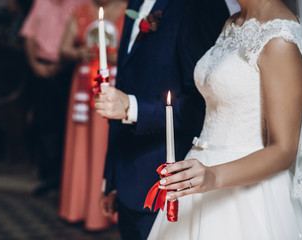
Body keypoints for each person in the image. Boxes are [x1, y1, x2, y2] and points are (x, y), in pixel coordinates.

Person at [147, 0, 302, 239]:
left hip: (250, 193)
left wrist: (213, 175)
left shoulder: (280, 38)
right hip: (198, 171)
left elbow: (284, 150)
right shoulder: (235, 21)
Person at [94, 0, 235, 239]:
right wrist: (111, 178)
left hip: (170, 181)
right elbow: (124, 83)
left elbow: (203, 104)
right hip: (128, 175)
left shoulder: (200, 6)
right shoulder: (136, 3)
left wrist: (133, 107)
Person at [58, 0, 127, 231]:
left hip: (116, 88)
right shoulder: (79, 10)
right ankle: (79, 206)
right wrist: (80, 52)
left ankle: (112, 209)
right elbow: (64, 49)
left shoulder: (130, 10)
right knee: (82, 146)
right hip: (83, 88)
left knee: (108, 144)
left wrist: (119, 57)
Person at [20, 0, 83, 196]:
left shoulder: (81, 4)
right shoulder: (41, 2)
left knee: (67, 124)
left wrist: (62, 66)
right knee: (45, 122)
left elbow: (82, 38)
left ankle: (66, 178)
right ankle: (49, 176)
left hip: (67, 70)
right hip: (40, 68)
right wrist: (34, 65)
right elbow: (28, 35)